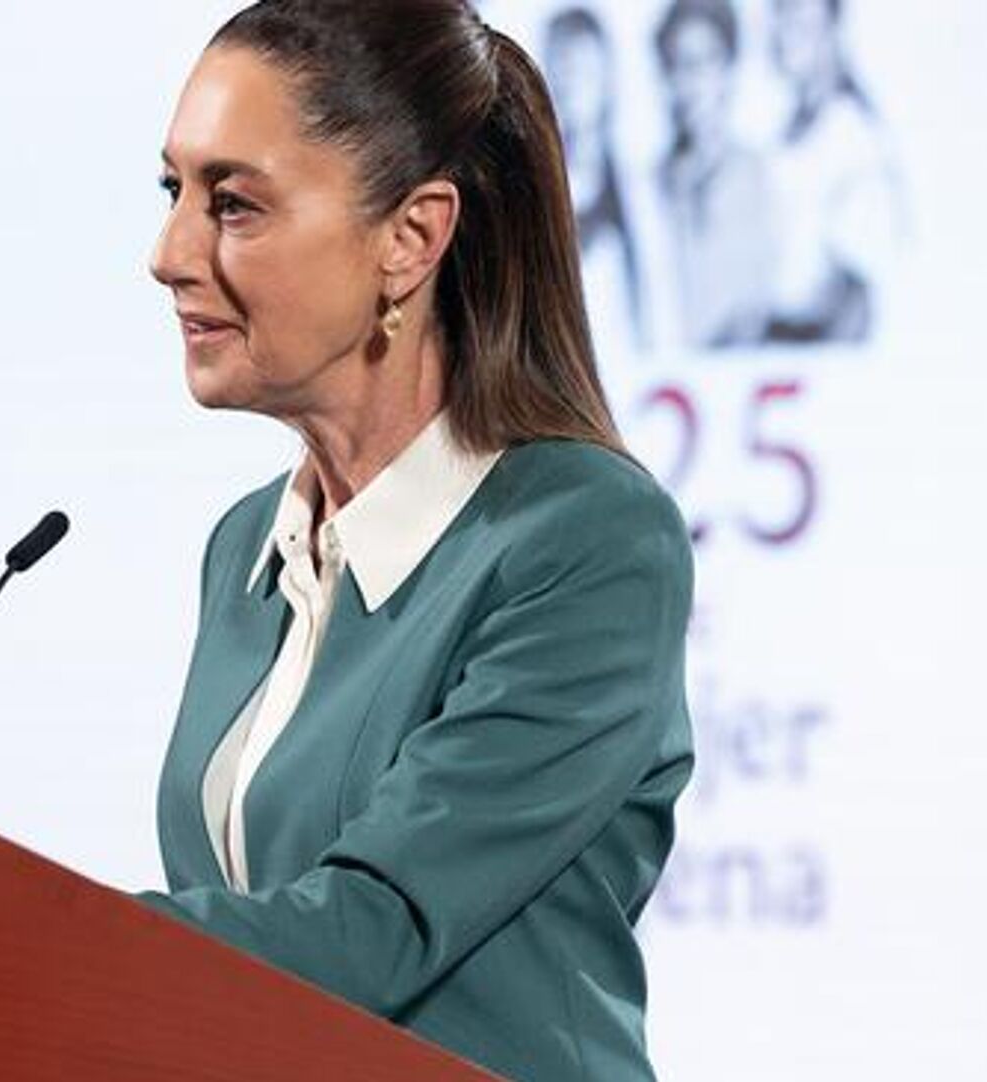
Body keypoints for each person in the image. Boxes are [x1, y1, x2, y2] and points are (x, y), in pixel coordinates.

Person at [142, 3, 693, 1080]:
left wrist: (17, 939)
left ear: (411, 238)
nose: (169, 255)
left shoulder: (587, 540)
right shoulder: (248, 547)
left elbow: (374, 923)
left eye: (233, 204)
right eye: (174, 194)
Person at [763, 0, 902, 343]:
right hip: (779, 343)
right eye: (779, 20)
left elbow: (858, 292)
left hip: (817, 350)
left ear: (832, 31)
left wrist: (821, 362)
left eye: (800, 25)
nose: (784, 37)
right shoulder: (788, 133)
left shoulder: (851, 134)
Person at [653, 0, 777, 349]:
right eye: (676, 63)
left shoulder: (760, 177)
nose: (688, 81)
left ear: (729, 69)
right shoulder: (653, 184)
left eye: (702, 62)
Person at [543, 7, 649, 358]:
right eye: (564, 69)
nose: (573, 86)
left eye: (585, 72)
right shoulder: (524, 188)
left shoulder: (636, 189)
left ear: (607, 82)